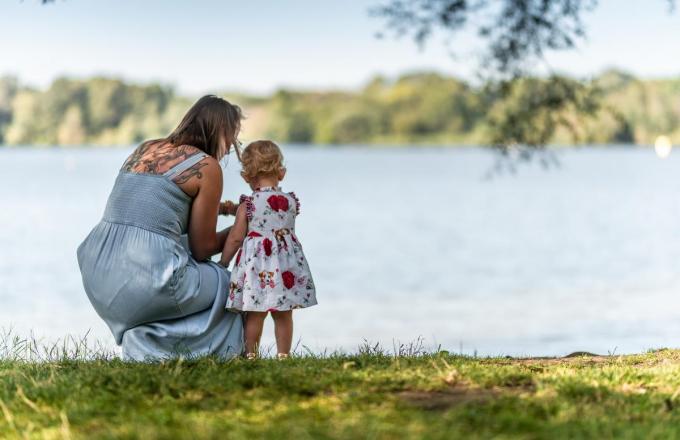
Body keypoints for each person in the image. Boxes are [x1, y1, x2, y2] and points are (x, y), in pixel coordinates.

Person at [77, 95, 244, 360]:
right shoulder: (206, 167)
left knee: (180, 260)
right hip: (148, 281)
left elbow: (155, 212)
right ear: (221, 132)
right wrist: (242, 230)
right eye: (233, 139)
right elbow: (202, 249)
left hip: (99, 274)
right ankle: (201, 353)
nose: (231, 148)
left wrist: (223, 208)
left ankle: (143, 340)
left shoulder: (145, 148)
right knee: (233, 283)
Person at [220, 140, 317, 359]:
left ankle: (251, 355)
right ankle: (283, 355)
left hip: (258, 267)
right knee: (284, 315)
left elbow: (236, 238)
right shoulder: (291, 201)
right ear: (281, 173)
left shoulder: (249, 204)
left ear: (246, 176)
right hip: (285, 267)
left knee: (255, 315)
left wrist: (223, 262)